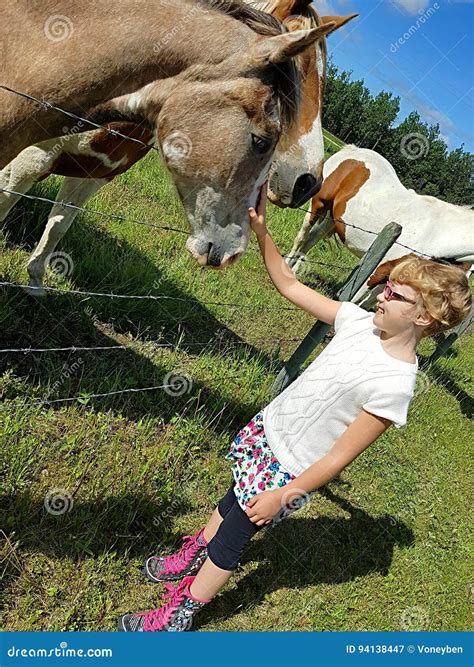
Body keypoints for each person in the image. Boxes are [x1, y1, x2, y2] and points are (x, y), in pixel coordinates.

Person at [117, 183, 472, 632]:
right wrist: (263, 233)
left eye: (396, 295)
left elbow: (340, 456)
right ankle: (192, 556)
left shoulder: (395, 384)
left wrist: (286, 494)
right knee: (231, 499)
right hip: (269, 436)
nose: (381, 295)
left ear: (423, 319)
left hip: (291, 468)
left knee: (235, 537)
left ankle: (181, 612)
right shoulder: (357, 322)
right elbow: (288, 283)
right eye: (387, 287)